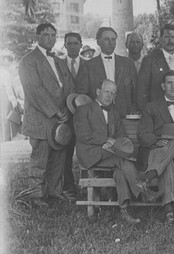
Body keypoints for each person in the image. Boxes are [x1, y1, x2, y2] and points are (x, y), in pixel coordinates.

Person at [74, 79, 152, 224]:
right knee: (122, 159)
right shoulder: (83, 110)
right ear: (98, 92)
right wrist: (107, 140)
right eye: (106, 91)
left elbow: (121, 135)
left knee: (120, 168)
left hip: (111, 152)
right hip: (90, 153)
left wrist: (116, 144)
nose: (109, 96)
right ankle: (142, 189)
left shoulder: (114, 112)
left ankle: (124, 209)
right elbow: (83, 135)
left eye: (113, 93)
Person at [18, 23, 75, 207]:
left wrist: (67, 108)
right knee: (40, 158)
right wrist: (55, 111)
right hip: (40, 119)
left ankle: (54, 191)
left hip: (61, 118)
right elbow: (35, 90)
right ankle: (35, 194)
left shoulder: (59, 60)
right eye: (46, 34)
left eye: (53, 34)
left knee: (59, 154)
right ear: (38, 36)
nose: (50, 38)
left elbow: (69, 85)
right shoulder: (28, 61)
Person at [136, 70, 174, 226]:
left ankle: (148, 177)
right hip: (157, 150)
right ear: (163, 86)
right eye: (169, 83)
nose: (173, 86)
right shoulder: (151, 107)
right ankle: (170, 214)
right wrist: (156, 142)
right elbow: (142, 134)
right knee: (168, 165)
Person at [75, 27, 137, 117]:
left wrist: (133, 110)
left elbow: (135, 91)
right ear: (98, 42)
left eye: (113, 39)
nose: (111, 43)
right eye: (106, 39)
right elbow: (82, 96)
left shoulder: (128, 64)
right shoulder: (87, 67)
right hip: (98, 117)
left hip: (124, 115)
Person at [137, 24, 174, 110]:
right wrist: (147, 114)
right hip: (157, 114)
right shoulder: (149, 61)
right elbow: (142, 92)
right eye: (166, 37)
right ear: (160, 39)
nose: (170, 40)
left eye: (173, 37)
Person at [63, 32, 86, 200]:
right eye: (69, 43)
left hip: (85, 115)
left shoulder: (89, 64)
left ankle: (89, 184)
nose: (72, 46)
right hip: (66, 115)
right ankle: (68, 187)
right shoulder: (58, 64)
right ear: (64, 45)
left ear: (81, 44)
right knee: (66, 152)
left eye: (75, 43)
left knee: (88, 148)